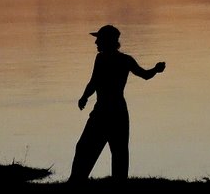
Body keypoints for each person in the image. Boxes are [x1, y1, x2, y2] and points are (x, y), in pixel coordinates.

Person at [69, 24, 165, 183]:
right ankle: (77, 181)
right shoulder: (106, 59)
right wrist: (84, 97)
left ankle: (106, 183)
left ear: (107, 41)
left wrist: (155, 69)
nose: (96, 43)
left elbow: (145, 74)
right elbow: (94, 82)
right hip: (110, 111)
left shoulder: (123, 60)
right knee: (88, 148)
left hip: (108, 112)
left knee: (114, 151)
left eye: (98, 39)